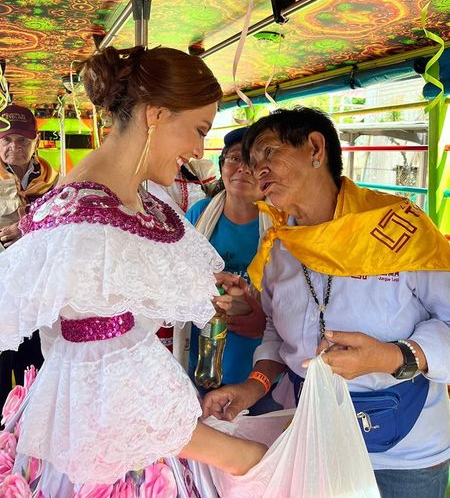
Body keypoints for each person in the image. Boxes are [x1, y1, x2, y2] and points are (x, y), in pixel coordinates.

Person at [0, 46, 266, 496]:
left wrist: (207, 287)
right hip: (115, 456)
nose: (200, 150)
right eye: (199, 130)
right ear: (157, 115)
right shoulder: (90, 225)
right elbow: (118, 391)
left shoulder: (130, 201)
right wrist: (245, 459)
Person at [203, 106, 450, 498]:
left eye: (269, 152)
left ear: (315, 148)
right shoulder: (279, 248)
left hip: (404, 455)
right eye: (252, 162)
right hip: (315, 436)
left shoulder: (396, 225)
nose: (257, 170)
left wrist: (392, 357)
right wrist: (255, 385)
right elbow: (275, 331)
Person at [186, 127, 271, 406]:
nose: (242, 168)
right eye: (235, 158)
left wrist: (265, 322)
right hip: (200, 360)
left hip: (257, 371)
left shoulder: (281, 226)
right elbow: (179, 277)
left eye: (253, 161)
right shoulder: (199, 216)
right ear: (222, 165)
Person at [0, 104, 58, 412]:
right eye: (7, 139)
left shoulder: (53, 182)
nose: (14, 147)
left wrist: (30, 232)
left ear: (35, 143)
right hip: (2, 296)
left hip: (39, 295)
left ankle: (25, 445)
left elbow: (65, 232)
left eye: (22, 140)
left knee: (36, 368)